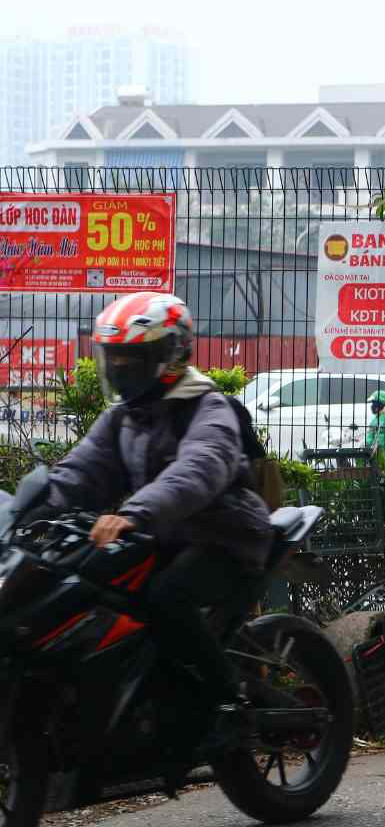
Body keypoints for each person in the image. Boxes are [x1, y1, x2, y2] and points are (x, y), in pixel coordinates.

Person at [44, 292, 274, 757]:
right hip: (163, 533)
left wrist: (134, 513)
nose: (121, 368)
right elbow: (81, 471)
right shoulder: (123, 418)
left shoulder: (207, 407)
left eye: (134, 357)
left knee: (165, 596)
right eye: (115, 358)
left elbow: (198, 469)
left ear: (170, 355)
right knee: (94, 589)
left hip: (225, 535)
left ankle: (229, 705)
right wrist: (31, 507)